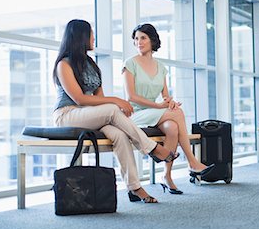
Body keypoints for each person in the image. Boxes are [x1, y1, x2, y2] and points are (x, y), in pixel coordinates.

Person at [53, 19, 180, 204]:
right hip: (67, 114)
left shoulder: (91, 65)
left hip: (90, 115)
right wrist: (116, 101)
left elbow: (99, 100)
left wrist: (115, 107)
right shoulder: (64, 64)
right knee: (113, 108)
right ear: (80, 36)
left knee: (120, 135)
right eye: (91, 34)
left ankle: (135, 187)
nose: (94, 38)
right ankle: (151, 148)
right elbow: (80, 99)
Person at [122, 23, 214, 194]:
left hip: (154, 113)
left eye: (143, 38)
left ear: (152, 40)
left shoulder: (161, 67)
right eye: (136, 39)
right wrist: (159, 106)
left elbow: (165, 95)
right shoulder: (130, 63)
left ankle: (167, 175)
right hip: (135, 114)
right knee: (177, 114)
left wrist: (170, 102)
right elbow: (131, 97)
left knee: (172, 127)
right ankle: (192, 162)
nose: (139, 42)